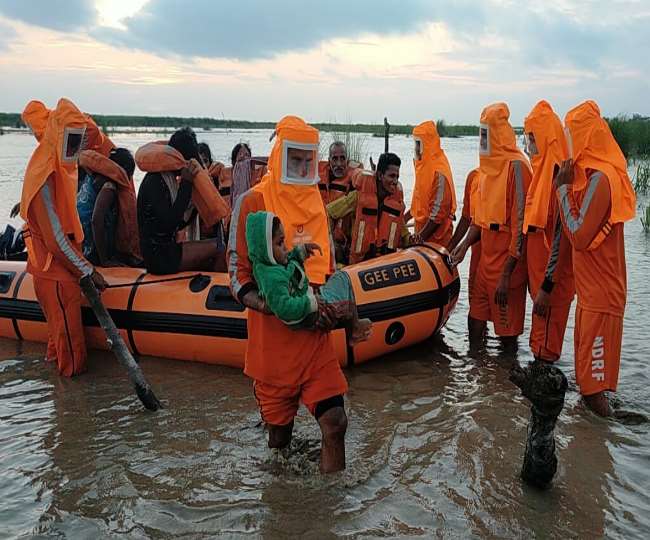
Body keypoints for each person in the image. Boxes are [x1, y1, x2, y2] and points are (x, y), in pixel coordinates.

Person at [228, 115, 348, 473]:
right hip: (273, 344)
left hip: (314, 339)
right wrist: (274, 307)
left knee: (336, 423)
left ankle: (330, 508)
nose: (301, 166)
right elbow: (237, 276)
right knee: (279, 440)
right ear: (279, 156)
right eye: (294, 158)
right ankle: (282, 507)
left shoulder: (317, 206)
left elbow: (327, 268)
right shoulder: (253, 203)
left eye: (306, 159)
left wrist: (326, 308)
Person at [554, 100, 636, 416]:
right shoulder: (590, 177)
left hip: (602, 298)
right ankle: (598, 441)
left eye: (572, 135)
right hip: (591, 297)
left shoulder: (602, 179)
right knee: (587, 384)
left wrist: (561, 190)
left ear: (586, 136)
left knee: (591, 392)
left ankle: (608, 449)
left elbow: (579, 236)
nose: (567, 144)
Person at [19, 98, 108, 377]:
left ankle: (59, 398)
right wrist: (88, 270)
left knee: (59, 344)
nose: (77, 149)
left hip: (60, 268)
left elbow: (96, 138)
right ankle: (71, 409)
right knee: (71, 350)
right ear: (59, 137)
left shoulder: (56, 164)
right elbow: (56, 239)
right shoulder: (44, 174)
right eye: (73, 141)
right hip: (55, 271)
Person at [451, 103, 532, 346]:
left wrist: (507, 275)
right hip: (484, 262)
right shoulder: (485, 170)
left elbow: (521, 227)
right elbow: (480, 219)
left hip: (508, 266)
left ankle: (504, 383)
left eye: (486, 133)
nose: (482, 139)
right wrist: (464, 246)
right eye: (481, 133)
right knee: (475, 323)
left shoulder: (517, 167)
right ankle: (476, 380)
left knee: (507, 339)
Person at [246, 210, 371, 343]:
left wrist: (301, 251)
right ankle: (353, 326)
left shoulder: (270, 264)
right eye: (280, 243)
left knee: (342, 278)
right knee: (342, 278)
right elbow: (284, 308)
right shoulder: (272, 278)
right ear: (266, 250)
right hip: (307, 314)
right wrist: (312, 302)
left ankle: (350, 320)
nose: (285, 247)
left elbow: (288, 261)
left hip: (307, 304)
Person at [522, 101, 574, 365]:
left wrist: (546, 286)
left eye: (532, 138)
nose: (529, 144)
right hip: (541, 284)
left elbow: (561, 237)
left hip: (550, 287)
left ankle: (546, 400)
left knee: (546, 350)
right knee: (540, 343)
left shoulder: (558, 176)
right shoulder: (541, 173)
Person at [137, 127, 227, 274]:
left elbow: (177, 223)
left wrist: (195, 206)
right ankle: (223, 291)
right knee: (218, 247)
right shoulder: (155, 181)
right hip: (159, 257)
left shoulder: (164, 178)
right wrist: (186, 184)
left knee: (215, 246)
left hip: (164, 250)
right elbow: (169, 224)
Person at [327, 153, 407, 264]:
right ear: (380, 175)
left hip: (381, 264)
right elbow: (328, 213)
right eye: (391, 176)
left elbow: (404, 234)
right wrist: (332, 244)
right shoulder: (357, 197)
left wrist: (413, 240)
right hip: (355, 264)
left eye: (397, 177)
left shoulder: (395, 204)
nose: (395, 181)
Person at [76, 147, 142, 267]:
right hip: (91, 250)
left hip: (81, 243)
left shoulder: (92, 177)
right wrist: (105, 260)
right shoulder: (109, 187)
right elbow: (96, 220)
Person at [406, 121, 457, 246]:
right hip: (420, 229)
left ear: (426, 144)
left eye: (418, 144)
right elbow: (418, 202)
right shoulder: (423, 167)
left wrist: (419, 239)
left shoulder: (439, 171)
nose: (416, 148)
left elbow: (438, 214)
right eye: (415, 143)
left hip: (436, 238)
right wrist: (403, 219)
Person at [447, 168, 481, 327]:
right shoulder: (474, 176)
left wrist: (465, 244)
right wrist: (451, 246)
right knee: (476, 313)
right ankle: (476, 352)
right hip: (477, 257)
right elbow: (467, 218)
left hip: (500, 257)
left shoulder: (513, 172)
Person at [317, 141, 361, 264]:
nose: (339, 164)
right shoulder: (317, 177)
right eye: (335, 159)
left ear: (347, 160)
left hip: (343, 247)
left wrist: (329, 212)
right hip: (321, 239)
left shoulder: (356, 181)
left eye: (342, 158)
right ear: (329, 160)